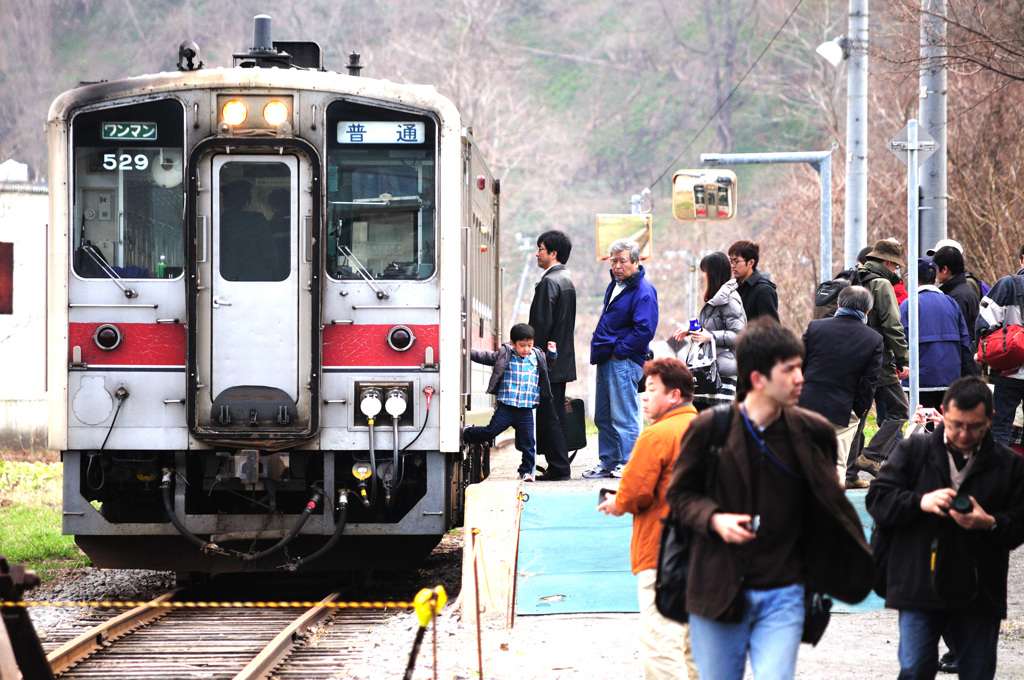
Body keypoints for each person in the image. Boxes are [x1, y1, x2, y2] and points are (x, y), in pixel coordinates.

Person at [666, 318, 874, 680]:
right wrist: (715, 519)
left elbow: (829, 508)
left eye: (800, 367)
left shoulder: (814, 433)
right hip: (717, 589)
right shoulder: (708, 429)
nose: (801, 379)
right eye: (790, 370)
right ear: (759, 379)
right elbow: (680, 496)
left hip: (784, 593)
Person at [866, 376, 1024, 680]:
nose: (963, 434)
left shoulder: (1009, 465)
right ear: (943, 413)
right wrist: (919, 502)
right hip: (917, 582)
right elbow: (878, 498)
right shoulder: (916, 451)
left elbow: (1019, 524)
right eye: (955, 425)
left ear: (990, 419)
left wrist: (989, 523)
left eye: (974, 427)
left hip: (980, 589)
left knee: (977, 672)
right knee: (914, 669)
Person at [597, 357, 699, 679]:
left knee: (661, 643)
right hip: (707, 553)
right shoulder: (708, 428)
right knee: (697, 646)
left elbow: (636, 493)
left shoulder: (657, 435)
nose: (643, 395)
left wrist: (617, 502)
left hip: (663, 552)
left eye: (651, 389)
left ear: (674, 395)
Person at [586, 239, 659, 479]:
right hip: (606, 357)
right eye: (613, 260)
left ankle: (630, 463)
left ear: (636, 262)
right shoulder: (615, 286)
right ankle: (609, 462)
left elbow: (645, 330)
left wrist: (620, 351)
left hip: (623, 361)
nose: (617, 266)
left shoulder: (643, 291)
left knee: (624, 416)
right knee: (604, 415)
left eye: (623, 261)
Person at [799, 285, 884, 487]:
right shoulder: (874, 339)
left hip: (806, 404)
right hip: (843, 409)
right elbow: (870, 382)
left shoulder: (815, 327)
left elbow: (797, 363)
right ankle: (829, 511)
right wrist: (859, 410)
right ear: (867, 311)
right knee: (837, 465)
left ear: (838, 304)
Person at [463, 323, 551, 482]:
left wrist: (552, 354)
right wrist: (467, 352)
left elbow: (548, 368)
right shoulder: (506, 355)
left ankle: (526, 472)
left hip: (525, 409)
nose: (526, 349)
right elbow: (485, 356)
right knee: (490, 432)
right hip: (507, 408)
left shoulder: (538, 356)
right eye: (522, 345)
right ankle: (467, 433)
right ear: (513, 343)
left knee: (529, 443)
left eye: (529, 345)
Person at [855, 239, 911, 475]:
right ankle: (871, 456)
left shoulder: (855, 278)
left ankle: (850, 472)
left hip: (854, 355)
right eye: (896, 266)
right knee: (899, 410)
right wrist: (903, 358)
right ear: (888, 262)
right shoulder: (881, 284)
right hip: (878, 358)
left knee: (860, 413)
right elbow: (892, 325)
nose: (896, 270)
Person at [528, 230, 576, 481]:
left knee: (549, 415)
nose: (537, 253)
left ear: (553, 253)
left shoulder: (549, 282)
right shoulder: (566, 280)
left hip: (549, 361)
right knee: (557, 412)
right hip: (562, 358)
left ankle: (558, 468)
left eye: (541, 249)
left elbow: (541, 324)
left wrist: (531, 354)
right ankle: (560, 464)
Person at [672, 251, 746, 411]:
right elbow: (713, 327)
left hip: (721, 374)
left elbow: (739, 335)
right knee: (703, 423)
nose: (703, 276)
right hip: (707, 372)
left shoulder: (730, 299)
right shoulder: (716, 299)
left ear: (712, 273)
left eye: (704, 272)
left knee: (717, 426)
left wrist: (710, 336)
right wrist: (692, 330)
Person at [899, 257, 974, 409]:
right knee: (944, 424)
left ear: (913, 280)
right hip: (950, 376)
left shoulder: (909, 304)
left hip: (920, 378)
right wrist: (961, 364)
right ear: (935, 280)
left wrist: (900, 365)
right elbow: (964, 340)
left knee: (922, 424)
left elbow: (901, 338)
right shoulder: (951, 302)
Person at [976, 243, 1024, 445]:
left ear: (1022, 259)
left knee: (1001, 426)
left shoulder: (1008, 284)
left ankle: (1000, 474)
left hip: (1009, 371)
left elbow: (985, 323)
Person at [931, 245, 981, 349]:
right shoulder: (964, 290)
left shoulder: (956, 297)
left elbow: (954, 333)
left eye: (936, 268)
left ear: (944, 269)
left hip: (961, 357)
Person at [728, 239, 779, 322]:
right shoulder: (732, 287)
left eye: (736, 261)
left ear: (751, 263)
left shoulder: (764, 290)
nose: (732, 265)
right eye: (731, 261)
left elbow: (771, 329)